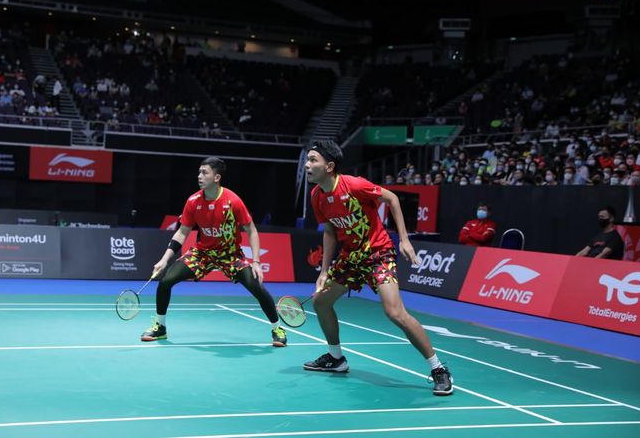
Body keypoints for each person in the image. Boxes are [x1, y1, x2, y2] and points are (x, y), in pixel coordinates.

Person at [303, 140, 453, 396]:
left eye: (313, 160)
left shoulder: (354, 185)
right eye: (307, 159)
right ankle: (336, 358)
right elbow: (329, 230)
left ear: (329, 166)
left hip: (378, 253)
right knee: (320, 302)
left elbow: (392, 198)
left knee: (395, 313)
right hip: (351, 257)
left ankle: (438, 368)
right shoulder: (317, 195)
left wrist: (404, 239)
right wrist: (324, 270)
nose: (307, 164)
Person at [141, 157, 288, 347]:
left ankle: (277, 328)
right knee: (166, 280)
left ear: (217, 177)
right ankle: (160, 327)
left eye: (205, 173)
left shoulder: (232, 201)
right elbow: (182, 232)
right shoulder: (193, 201)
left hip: (230, 255)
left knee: (256, 286)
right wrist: (164, 259)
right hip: (203, 254)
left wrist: (257, 262)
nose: (199, 176)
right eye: (199, 172)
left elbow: (251, 230)